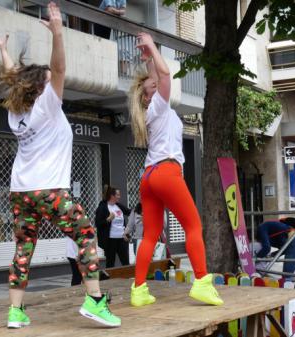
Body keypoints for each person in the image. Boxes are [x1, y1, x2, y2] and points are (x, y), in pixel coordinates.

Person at [0, 2, 120, 329]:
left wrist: (4, 52)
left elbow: (13, 79)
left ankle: (15, 311)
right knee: (86, 234)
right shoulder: (46, 105)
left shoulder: (16, 113)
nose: (55, 82)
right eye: (48, 81)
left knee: (24, 248)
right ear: (40, 88)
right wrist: (58, 33)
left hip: (20, 192)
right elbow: (60, 69)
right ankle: (94, 301)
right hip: (49, 189)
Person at [127, 32, 223, 307]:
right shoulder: (159, 103)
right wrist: (154, 48)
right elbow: (165, 75)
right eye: (153, 86)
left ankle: (139, 289)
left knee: (149, 234)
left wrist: (147, 60)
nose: (158, 85)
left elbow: (156, 77)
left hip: (148, 176)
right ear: (149, 96)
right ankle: (203, 282)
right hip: (167, 172)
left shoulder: (149, 110)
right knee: (193, 225)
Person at [95, 185, 131, 268]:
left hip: (122, 238)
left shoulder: (118, 206)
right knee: (110, 263)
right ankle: (110, 280)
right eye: (117, 195)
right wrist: (108, 219)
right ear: (112, 196)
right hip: (110, 240)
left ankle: (128, 278)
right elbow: (98, 223)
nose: (119, 197)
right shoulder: (102, 207)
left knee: (125, 261)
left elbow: (130, 213)